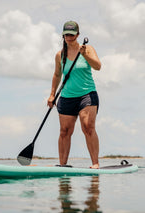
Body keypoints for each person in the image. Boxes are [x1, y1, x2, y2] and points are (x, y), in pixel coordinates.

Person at [47, 21, 102, 169]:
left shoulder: (87, 49)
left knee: (88, 127)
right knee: (64, 131)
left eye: (72, 34)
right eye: (66, 34)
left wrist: (85, 55)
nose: (69, 36)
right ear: (63, 35)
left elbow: (98, 66)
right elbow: (57, 74)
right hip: (67, 96)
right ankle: (62, 165)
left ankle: (95, 164)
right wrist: (52, 95)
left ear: (77, 35)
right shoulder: (60, 55)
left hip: (87, 94)